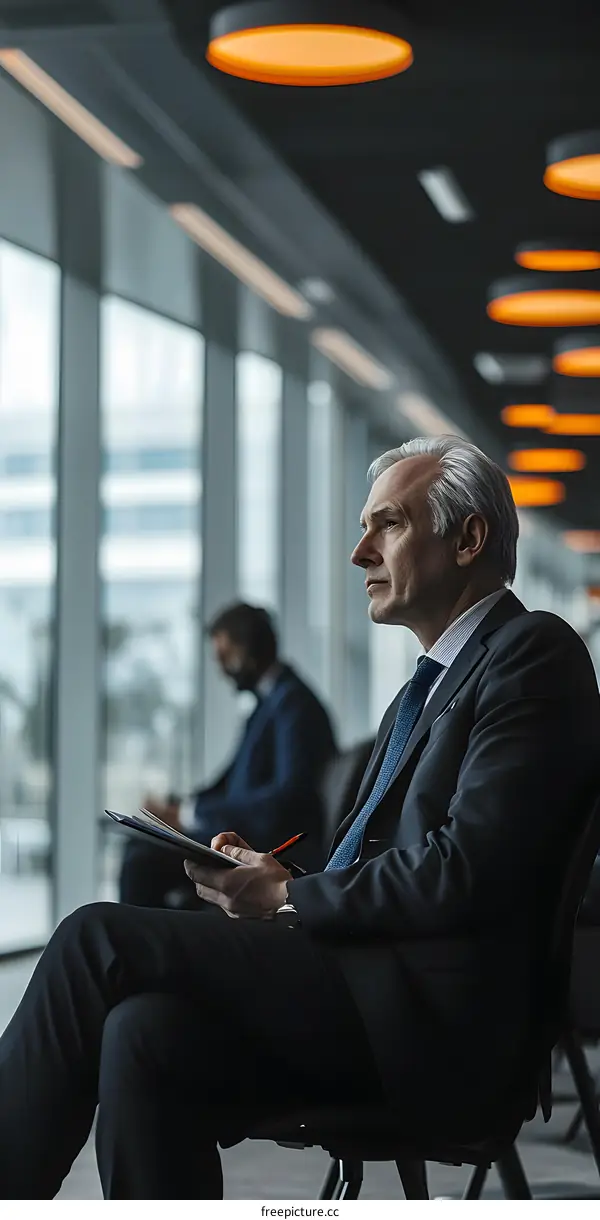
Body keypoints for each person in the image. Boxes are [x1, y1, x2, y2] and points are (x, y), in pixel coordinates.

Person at [1, 435, 599, 1200]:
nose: (359, 553)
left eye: (387, 525)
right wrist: (273, 879)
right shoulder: (433, 683)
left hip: (427, 1027)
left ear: (468, 539)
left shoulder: (530, 653)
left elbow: (466, 871)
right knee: (141, 1033)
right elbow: (390, 867)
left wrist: (288, 898)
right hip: (367, 992)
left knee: (93, 937)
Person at [119, 602, 337, 906]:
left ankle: (135, 951)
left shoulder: (294, 706)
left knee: (141, 860)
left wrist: (186, 815)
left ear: (249, 650)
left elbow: (287, 801)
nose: (221, 669)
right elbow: (230, 781)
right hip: (244, 833)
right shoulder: (272, 702)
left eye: (225, 655)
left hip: (265, 847)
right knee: (142, 844)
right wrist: (181, 807)